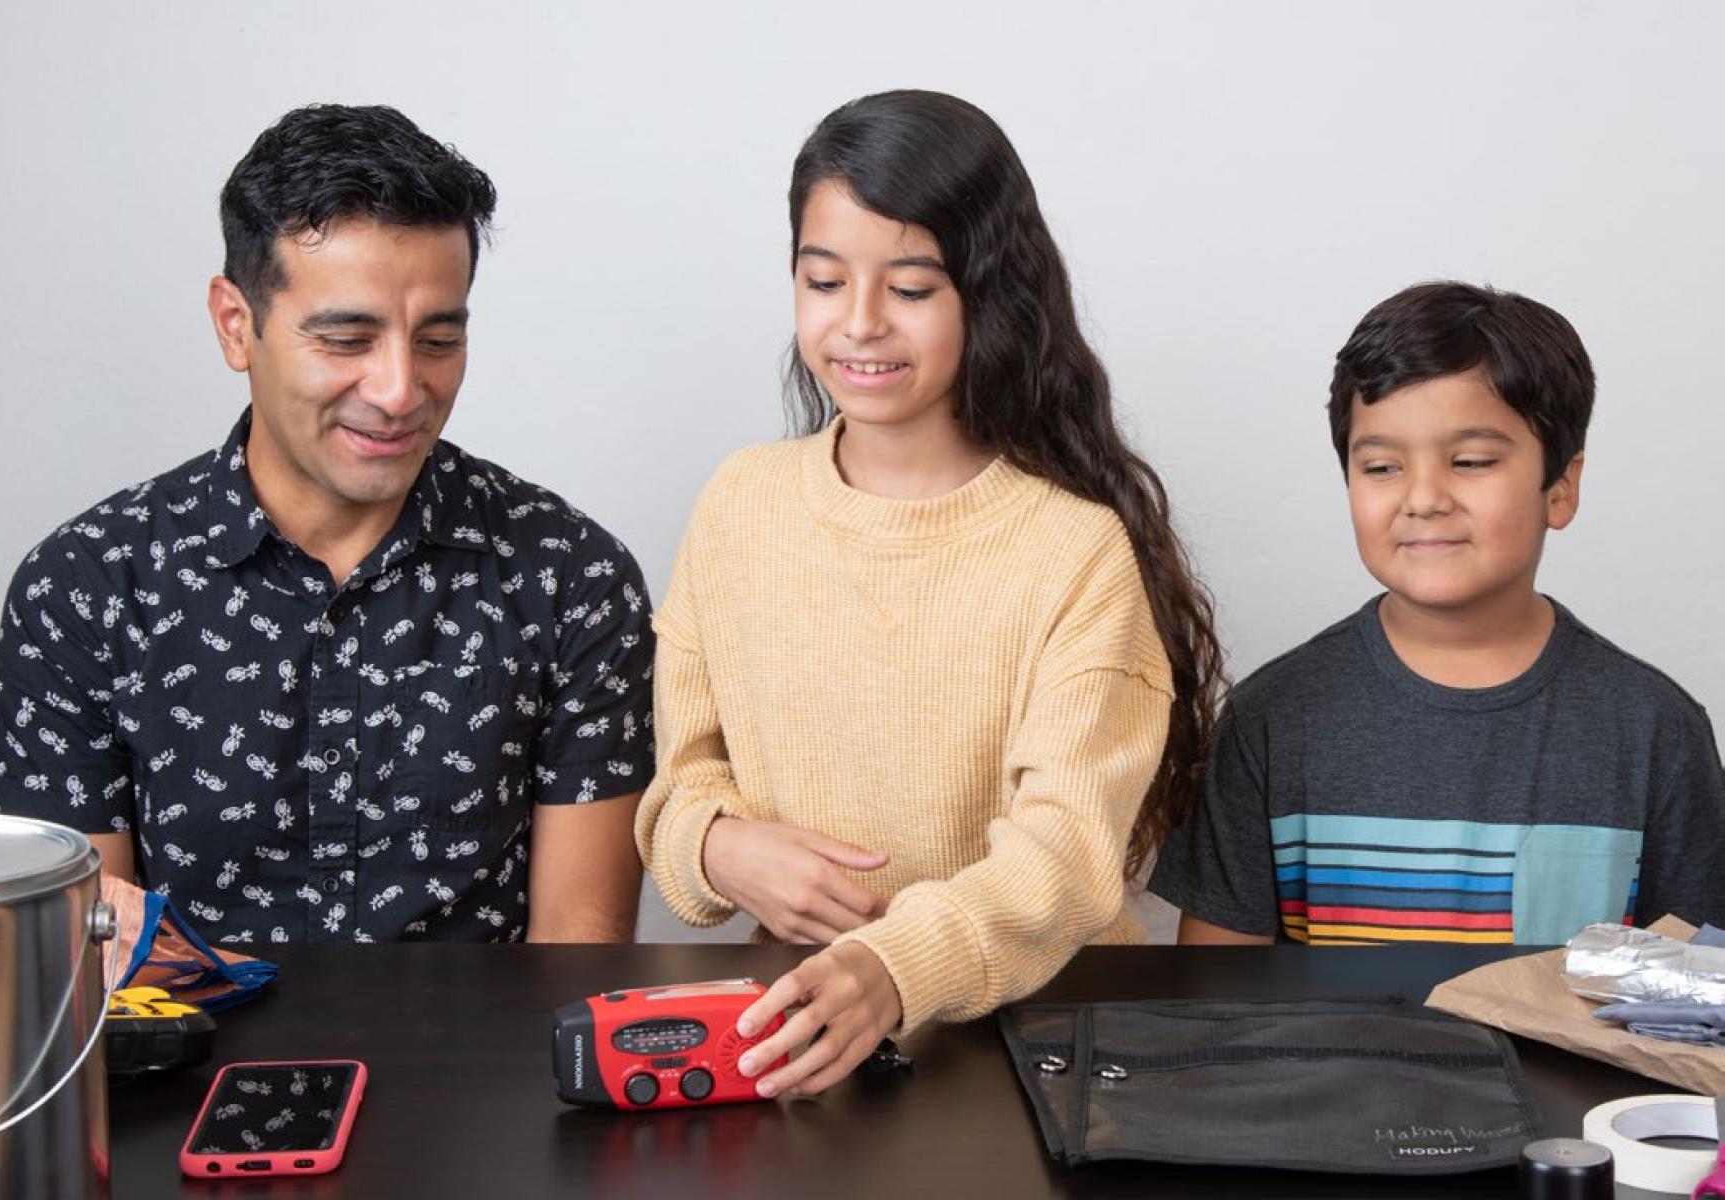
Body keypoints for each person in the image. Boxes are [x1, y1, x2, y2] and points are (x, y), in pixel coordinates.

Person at [636, 90, 1225, 1095]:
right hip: (800, 1035)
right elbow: (680, 786)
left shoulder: (1072, 550)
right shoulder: (740, 504)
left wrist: (892, 966)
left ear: (987, 295)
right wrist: (721, 848)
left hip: (1047, 1050)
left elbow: (1065, 857)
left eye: (910, 288)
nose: (858, 323)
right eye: (824, 280)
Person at [0, 104, 654, 944]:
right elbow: (91, 971)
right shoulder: (86, 583)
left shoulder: (569, 574)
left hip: (485, 1072)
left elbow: (575, 963)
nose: (400, 390)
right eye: (346, 339)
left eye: (439, 339)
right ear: (237, 324)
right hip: (188, 1066)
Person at [1151, 281, 1725, 945]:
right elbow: (1213, 998)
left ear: (1561, 488)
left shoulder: (1656, 730)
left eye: (1471, 461)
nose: (1423, 497)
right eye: (1382, 467)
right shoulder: (1270, 720)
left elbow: (1694, 1010)